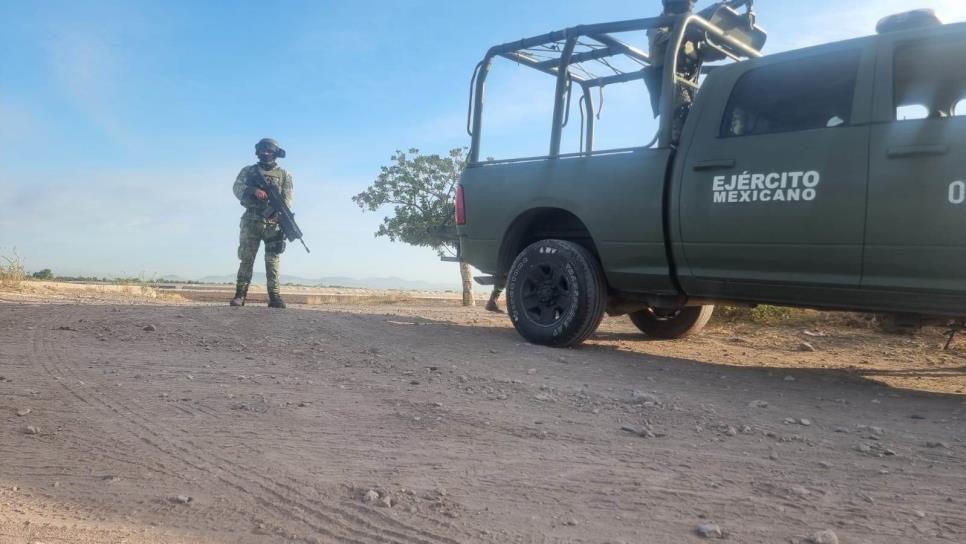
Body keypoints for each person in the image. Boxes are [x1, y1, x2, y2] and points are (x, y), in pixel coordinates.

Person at [230, 138, 294, 309]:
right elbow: (236, 188)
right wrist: (253, 190)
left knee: (272, 261)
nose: (265, 153)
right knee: (246, 259)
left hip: (273, 224)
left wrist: (280, 215)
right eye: (262, 150)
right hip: (251, 221)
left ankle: (274, 297)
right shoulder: (248, 171)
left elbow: (287, 200)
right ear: (257, 151)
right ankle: (240, 295)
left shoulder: (285, 175)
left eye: (269, 150)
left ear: (275, 153)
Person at [647, 0, 702, 143]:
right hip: (670, 83)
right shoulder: (661, 22)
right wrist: (686, 34)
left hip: (688, 84)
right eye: (688, 2)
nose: (691, 6)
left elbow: (703, 53)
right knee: (678, 128)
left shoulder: (686, 24)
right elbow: (659, 40)